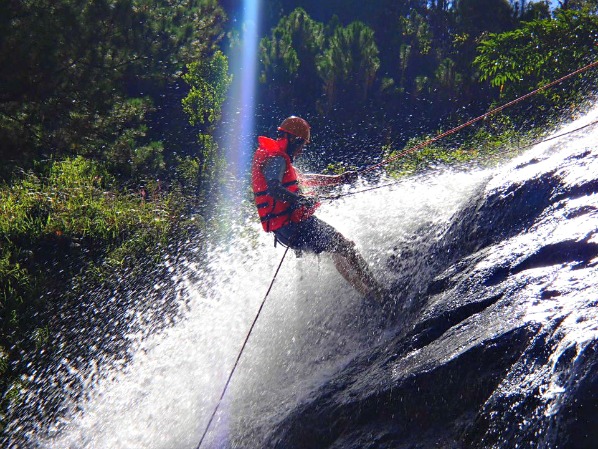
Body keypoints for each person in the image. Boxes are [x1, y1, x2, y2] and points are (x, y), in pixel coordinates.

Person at [251, 115, 384, 299]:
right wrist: (299, 201)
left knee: (338, 251)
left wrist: (338, 179)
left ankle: (367, 294)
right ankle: (379, 293)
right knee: (346, 247)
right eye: (301, 145)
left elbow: (306, 179)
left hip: (285, 230)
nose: (300, 151)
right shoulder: (277, 160)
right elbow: (274, 189)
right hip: (295, 226)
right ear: (292, 139)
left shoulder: (277, 159)